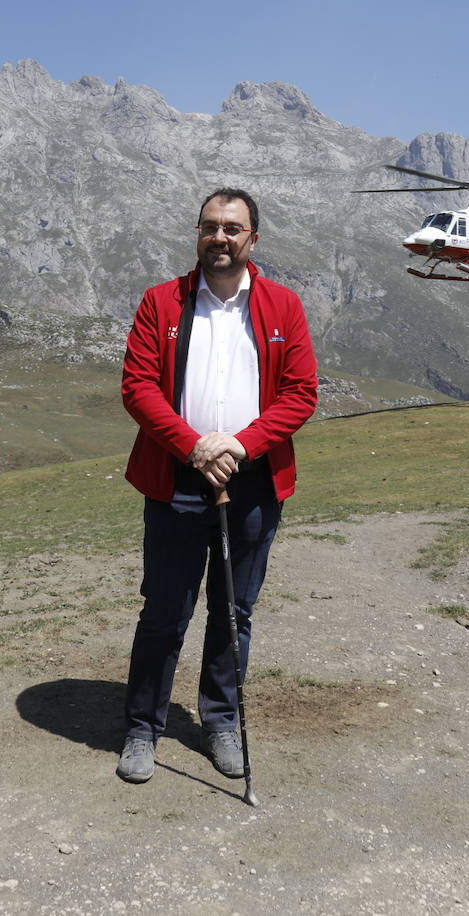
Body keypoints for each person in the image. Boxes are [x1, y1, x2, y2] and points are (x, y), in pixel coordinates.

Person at [116, 188, 318, 784]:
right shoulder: (162, 303)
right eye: (210, 227)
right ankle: (142, 727)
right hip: (177, 478)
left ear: (253, 239)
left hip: (253, 483)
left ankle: (221, 720)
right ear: (197, 235)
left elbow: (301, 392)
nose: (220, 237)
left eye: (233, 228)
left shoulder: (283, 306)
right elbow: (138, 387)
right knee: (165, 611)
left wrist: (242, 443)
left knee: (234, 612)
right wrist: (194, 444)